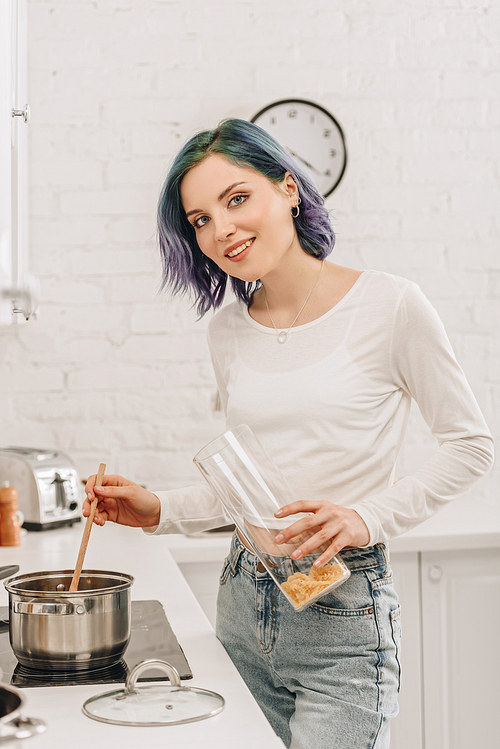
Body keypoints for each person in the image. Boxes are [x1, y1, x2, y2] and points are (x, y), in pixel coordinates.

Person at [84, 118, 494, 749]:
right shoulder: (227, 331)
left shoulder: (391, 306)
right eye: (199, 220)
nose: (221, 230)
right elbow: (251, 487)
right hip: (243, 605)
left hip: (343, 618)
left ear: (289, 189)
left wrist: (364, 516)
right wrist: (157, 508)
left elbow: (472, 446)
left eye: (237, 199)